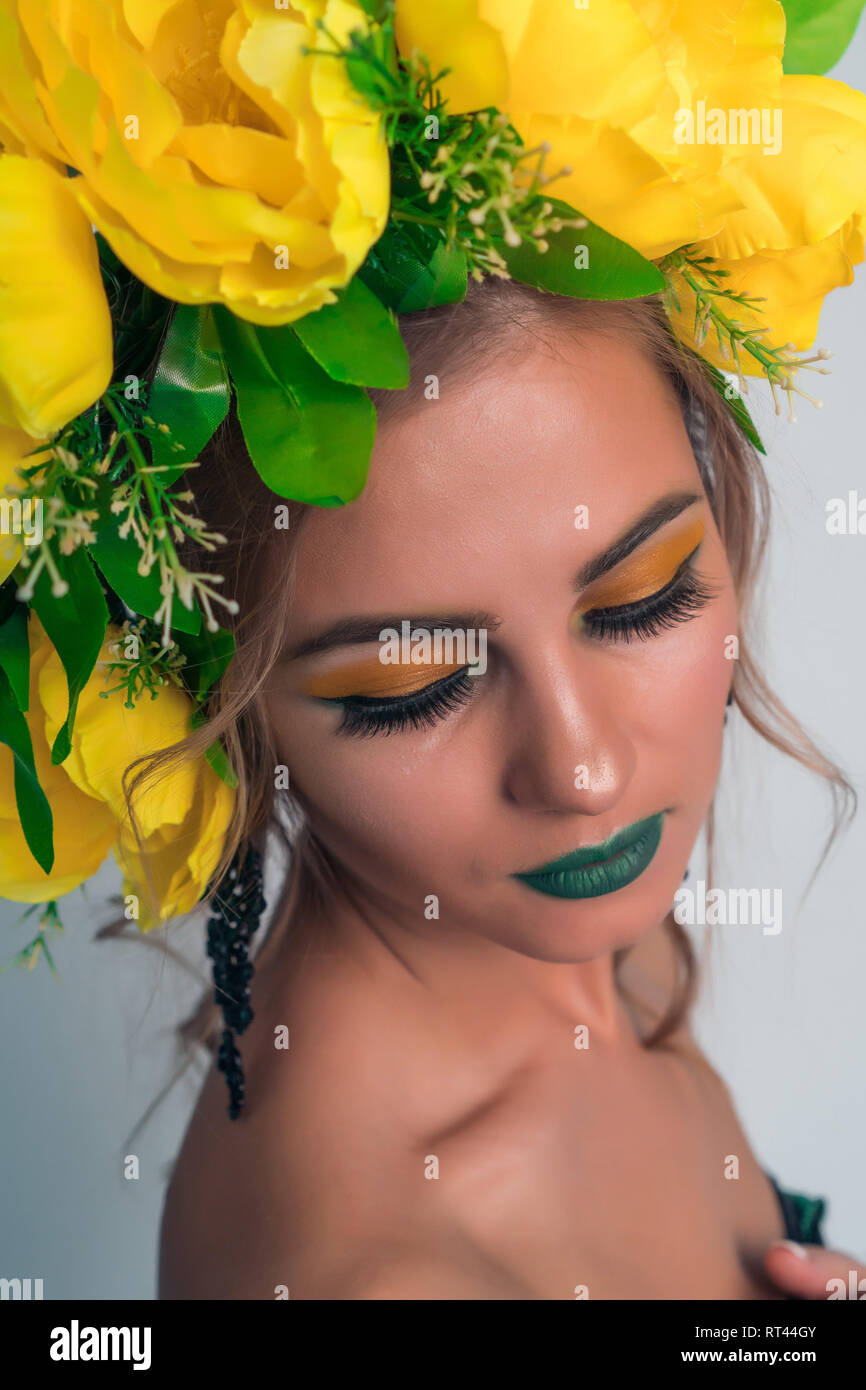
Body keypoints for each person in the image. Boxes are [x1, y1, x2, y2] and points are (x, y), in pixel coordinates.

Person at [156, 281, 860, 1300]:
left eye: (640, 598)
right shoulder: (382, 1273)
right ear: (229, 711)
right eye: (412, 690)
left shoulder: (588, 941)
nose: (584, 774)